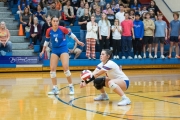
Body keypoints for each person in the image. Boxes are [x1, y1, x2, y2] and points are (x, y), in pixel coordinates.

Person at [40, 16, 84, 95]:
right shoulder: (48, 30)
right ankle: (55, 88)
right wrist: (43, 50)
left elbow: (71, 35)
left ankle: (71, 86)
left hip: (63, 49)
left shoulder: (62, 29)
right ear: (51, 22)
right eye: (54, 21)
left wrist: (78, 41)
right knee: (52, 69)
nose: (56, 22)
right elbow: (46, 41)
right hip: (55, 50)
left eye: (57, 21)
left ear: (58, 22)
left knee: (65, 67)